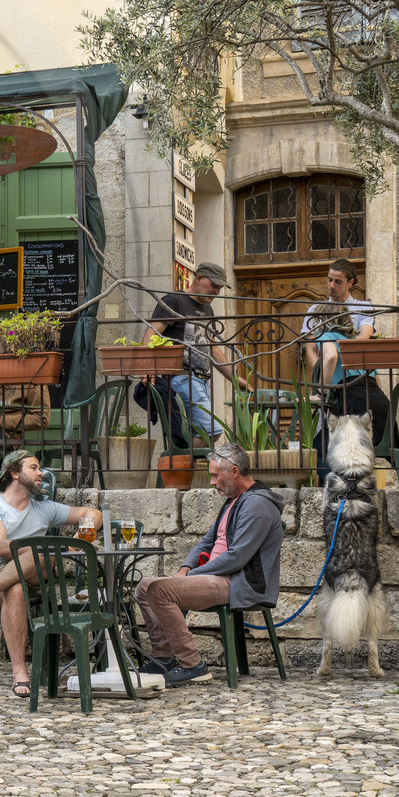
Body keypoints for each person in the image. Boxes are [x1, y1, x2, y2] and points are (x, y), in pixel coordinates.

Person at [133, 444, 286, 686]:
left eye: (215, 475)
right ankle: (166, 658)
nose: (212, 482)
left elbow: (237, 558)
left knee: (160, 590)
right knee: (145, 586)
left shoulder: (258, 505)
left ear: (234, 472)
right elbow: (208, 542)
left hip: (239, 581)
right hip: (218, 576)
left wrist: (191, 574)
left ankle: (192, 665)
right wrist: (185, 568)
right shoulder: (234, 501)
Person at [0, 450, 100, 699]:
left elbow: (93, 513)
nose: (41, 473)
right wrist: (48, 546)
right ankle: (19, 672)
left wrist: (81, 536)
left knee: (44, 549)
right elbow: (2, 548)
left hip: (28, 577)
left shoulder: (45, 509)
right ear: (15, 473)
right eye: (34, 468)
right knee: (17, 587)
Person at [302, 258, 397, 471]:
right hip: (371, 395)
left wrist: (324, 386)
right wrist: (325, 375)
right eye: (329, 280)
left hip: (350, 398)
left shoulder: (361, 309)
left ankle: (341, 489)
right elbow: (310, 349)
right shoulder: (315, 309)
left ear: (351, 282)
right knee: (351, 453)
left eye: (337, 281)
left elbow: (360, 340)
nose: (331, 286)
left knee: (321, 452)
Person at [148, 262, 249, 448]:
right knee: (211, 431)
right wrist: (148, 371)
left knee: (201, 433)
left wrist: (235, 379)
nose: (217, 292)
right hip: (182, 377)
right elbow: (150, 334)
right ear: (199, 278)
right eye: (215, 286)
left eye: (220, 288)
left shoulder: (207, 310)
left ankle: (180, 467)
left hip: (202, 381)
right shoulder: (174, 301)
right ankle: (179, 465)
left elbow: (212, 349)